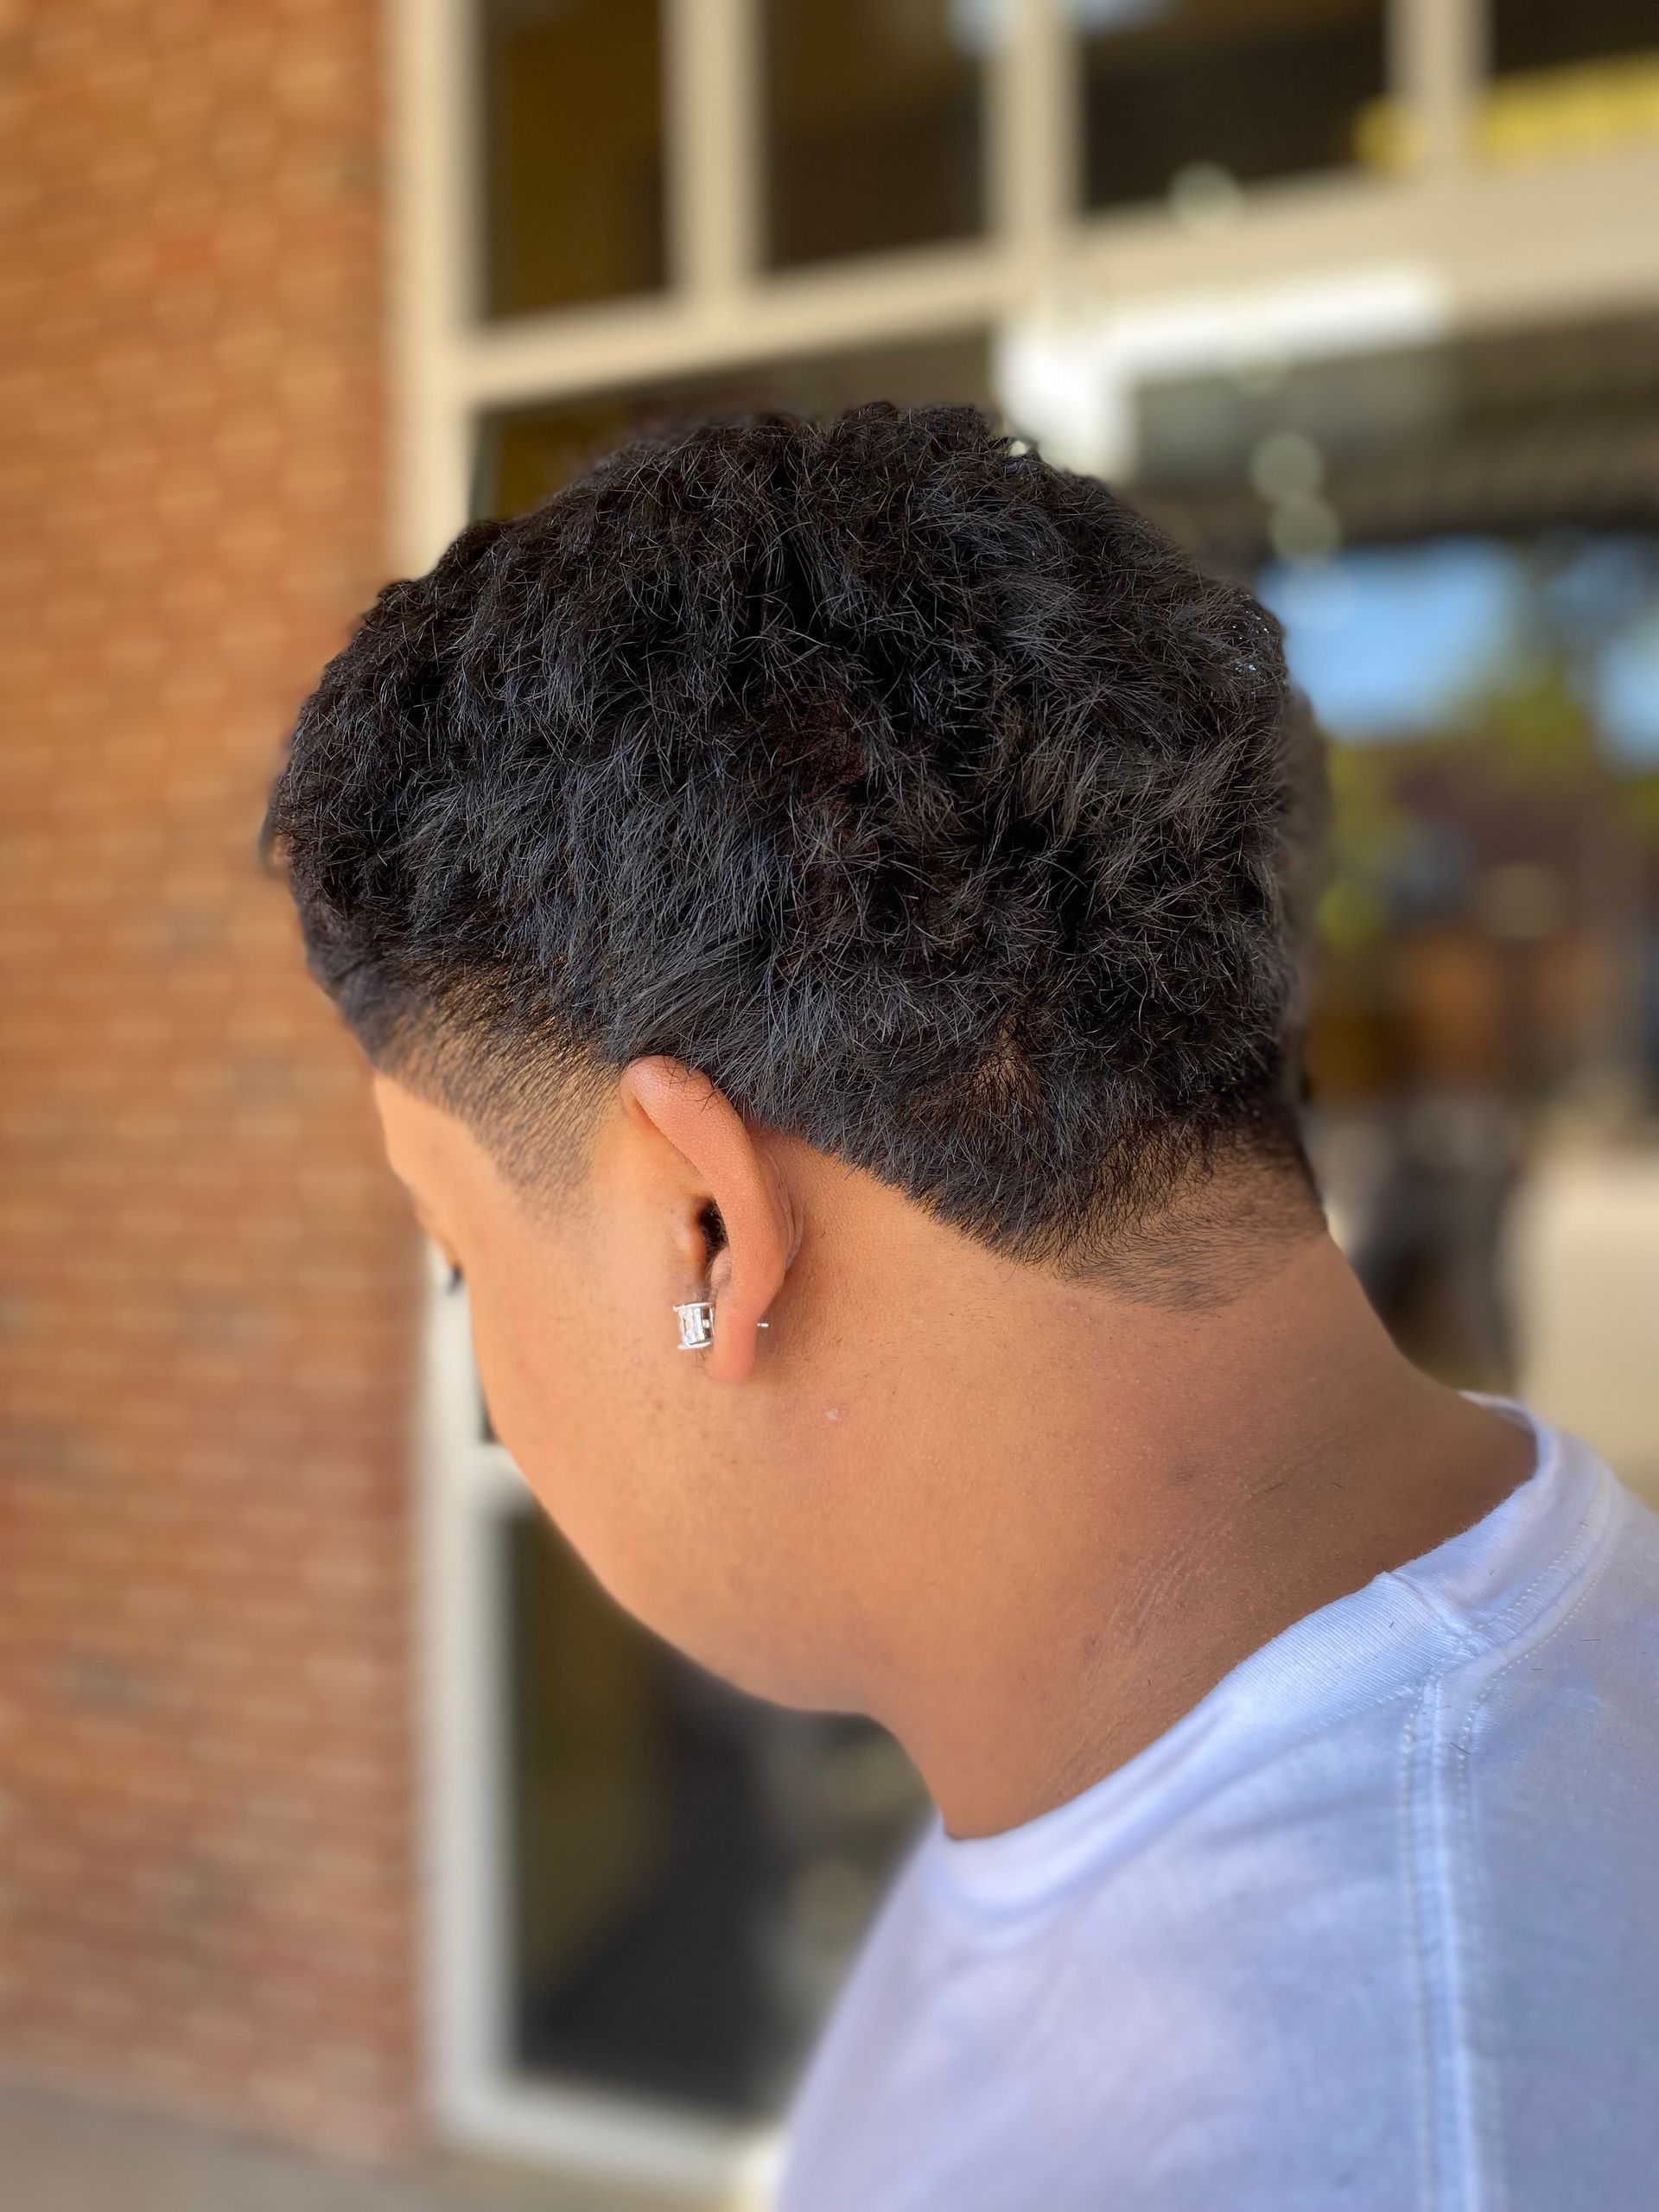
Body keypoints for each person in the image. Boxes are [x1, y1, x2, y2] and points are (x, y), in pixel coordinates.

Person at [259, 404, 1659, 2211]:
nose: (488, 1395)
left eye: (461, 1254)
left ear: (707, 1228)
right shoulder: (1358, 1689)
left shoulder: (1357, 2127)